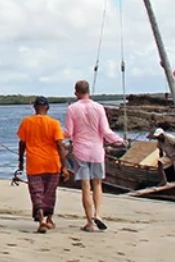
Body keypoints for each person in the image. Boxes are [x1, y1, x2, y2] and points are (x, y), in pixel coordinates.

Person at [64, 79, 124, 232]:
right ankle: (98, 214)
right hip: (97, 151)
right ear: (88, 91)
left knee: (85, 186)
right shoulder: (98, 108)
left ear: (76, 92)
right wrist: (118, 140)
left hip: (80, 151)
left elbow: (69, 133)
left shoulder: (72, 109)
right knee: (97, 184)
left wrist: (55, 134)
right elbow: (105, 131)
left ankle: (89, 222)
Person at [17, 97, 70, 233]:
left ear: (34, 107)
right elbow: (60, 146)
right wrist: (64, 166)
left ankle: (41, 219)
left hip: (34, 163)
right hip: (52, 163)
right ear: (47, 108)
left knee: (37, 192)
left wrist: (20, 162)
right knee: (50, 193)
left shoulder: (26, 122)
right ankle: (49, 219)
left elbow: (22, 143)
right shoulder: (54, 123)